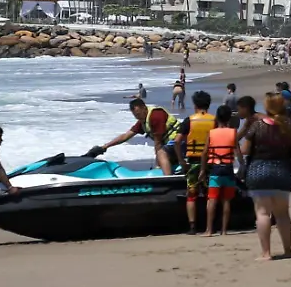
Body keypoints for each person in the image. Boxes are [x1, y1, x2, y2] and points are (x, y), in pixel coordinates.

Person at [240, 92, 291, 260]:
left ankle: (266, 253)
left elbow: (245, 150)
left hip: (258, 172)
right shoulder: (289, 126)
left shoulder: (257, 126)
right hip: (282, 172)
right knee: (282, 214)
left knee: (263, 213)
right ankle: (288, 250)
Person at [99, 98, 180, 174]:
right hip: (170, 143)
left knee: (162, 153)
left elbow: (158, 143)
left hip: (180, 140)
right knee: (164, 156)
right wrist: (105, 146)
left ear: (144, 108)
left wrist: (157, 166)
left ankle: (167, 181)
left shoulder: (155, 116)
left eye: (138, 114)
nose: (138, 117)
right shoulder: (143, 120)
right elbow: (125, 136)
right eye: (135, 116)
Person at [179, 90, 217, 233]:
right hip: (211, 161)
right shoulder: (214, 120)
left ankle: (192, 226)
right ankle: (210, 226)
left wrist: (182, 160)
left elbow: (177, 141)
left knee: (191, 194)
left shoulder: (189, 120)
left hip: (193, 161)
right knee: (210, 194)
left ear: (195, 104)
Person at [203, 106, 241, 236]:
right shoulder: (233, 132)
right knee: (226, 200)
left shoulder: (211, 133)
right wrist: (243, 166)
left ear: (217, 117)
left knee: (212, 199)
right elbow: (238, 153)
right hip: (228, 169)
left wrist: (202, 170)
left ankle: (209, 230)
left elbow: (204, 154)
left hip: (215, 169)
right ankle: (224, 230)